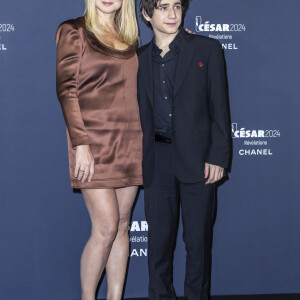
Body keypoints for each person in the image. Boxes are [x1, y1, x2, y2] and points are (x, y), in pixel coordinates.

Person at [137, 0, 231, 299]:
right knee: (158, 246)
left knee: (198, 243)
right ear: (146, 14)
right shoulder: (136, 59)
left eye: (176, 6)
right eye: (163, 7)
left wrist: (218, 155)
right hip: (156, 160)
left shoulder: (207, 49)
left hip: (199, 160)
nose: (172, 14)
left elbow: (220, 107)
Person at [55, 0, 142, 299]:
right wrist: (80, 143)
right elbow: (66, 90)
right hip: (92, 142)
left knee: (121, 225)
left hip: (130, 141)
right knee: (105, 226)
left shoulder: (130, 38)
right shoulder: (74, 31)